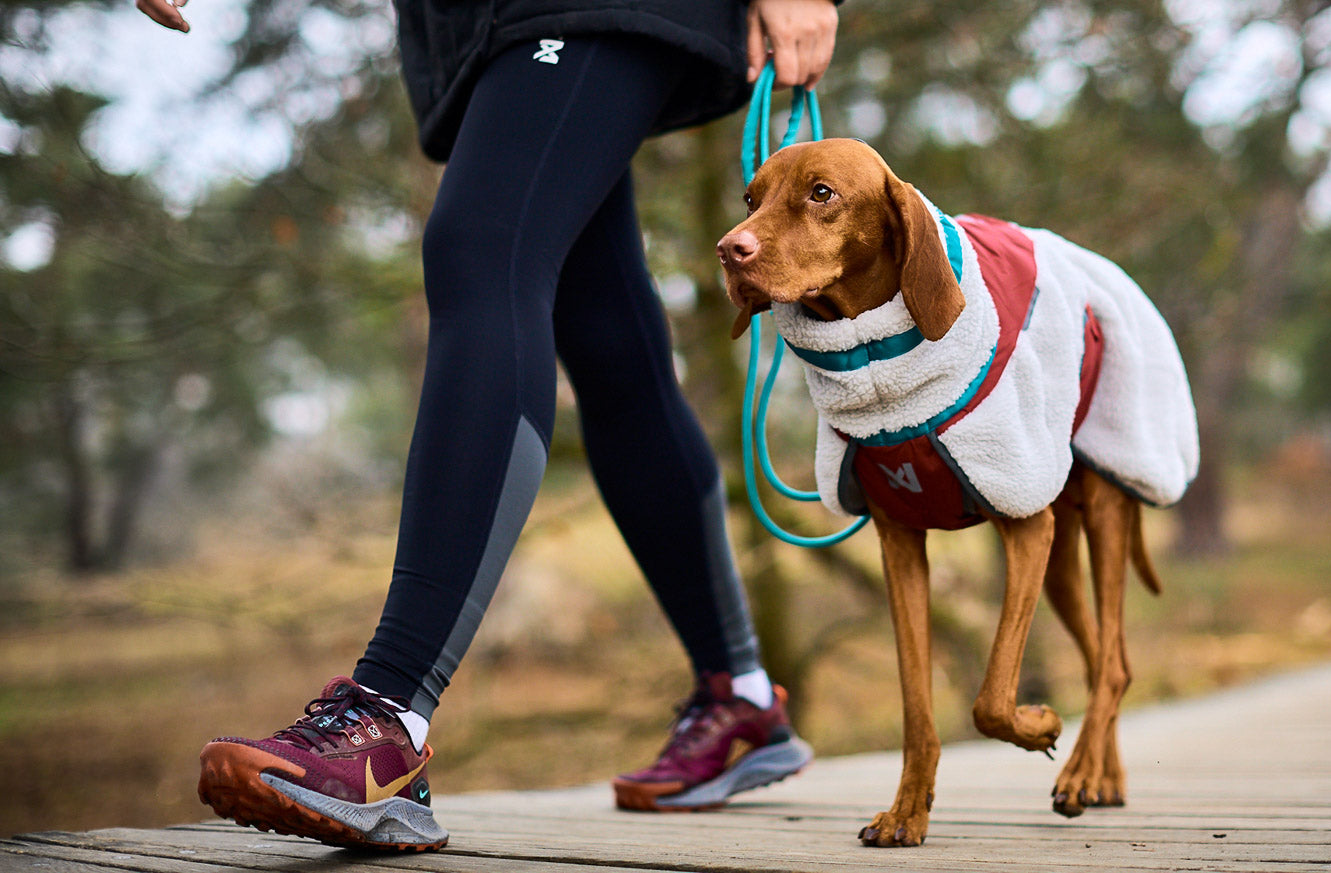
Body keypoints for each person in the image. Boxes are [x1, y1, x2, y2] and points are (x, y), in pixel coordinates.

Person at [137, 0, 839, 852]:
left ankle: (388, 715)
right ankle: (743, 693)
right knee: (608, 337)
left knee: (483, 249)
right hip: (485, 25)